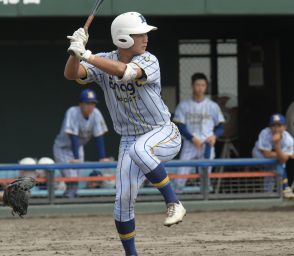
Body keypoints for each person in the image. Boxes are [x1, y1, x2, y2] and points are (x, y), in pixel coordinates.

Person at [64, 12, 186, 256]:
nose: (145, 38)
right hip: (129, 137)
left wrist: (87, 55)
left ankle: (174, 202)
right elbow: (71, 74)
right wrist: (74, 52)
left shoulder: (150, 60)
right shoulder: (103, 61)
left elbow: (124, 71)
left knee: (140, 150)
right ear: (123, 38)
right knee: (122, 201)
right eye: (140, 34)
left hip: (162, 131)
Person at [173, 73, 225, 194]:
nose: (200, 88)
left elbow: (221, 126)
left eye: (203, 85)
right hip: (190, 144)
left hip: (207, 144)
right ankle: (175, 201)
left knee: (205, 176)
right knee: (181, 174)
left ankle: (204, 204)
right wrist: (191, 138)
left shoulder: (212, 106)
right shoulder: (184, 105)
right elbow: (180, 126)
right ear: (192, 86)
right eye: (197, 85)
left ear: (206, 87)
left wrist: (214, 136)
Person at [53, 89, 108, 198]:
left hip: (78, 148)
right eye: (87, 103)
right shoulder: (72, 112)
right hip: (63, 149)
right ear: (80, 104)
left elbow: (99, 136)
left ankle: (68, 199)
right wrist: (76, 157)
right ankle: (70, 200)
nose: (90, 106)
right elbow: (73, 136)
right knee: (72, 179)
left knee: (74, 181)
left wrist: (102, 157)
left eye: (93, 103)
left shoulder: (96, 113)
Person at [252, 113, 294, 199]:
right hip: (258, 154)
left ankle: (269, 193)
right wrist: (280, 149)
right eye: (274, 125)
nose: (276, 128)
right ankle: (285, 187)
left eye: (279, 125)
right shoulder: (265, 133)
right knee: (273, 165)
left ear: (285, 127)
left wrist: (282, 154)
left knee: (278, 165)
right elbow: (266, 154)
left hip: (274, 156)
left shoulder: (288, 138)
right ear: (270, 127)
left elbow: (284, 159)